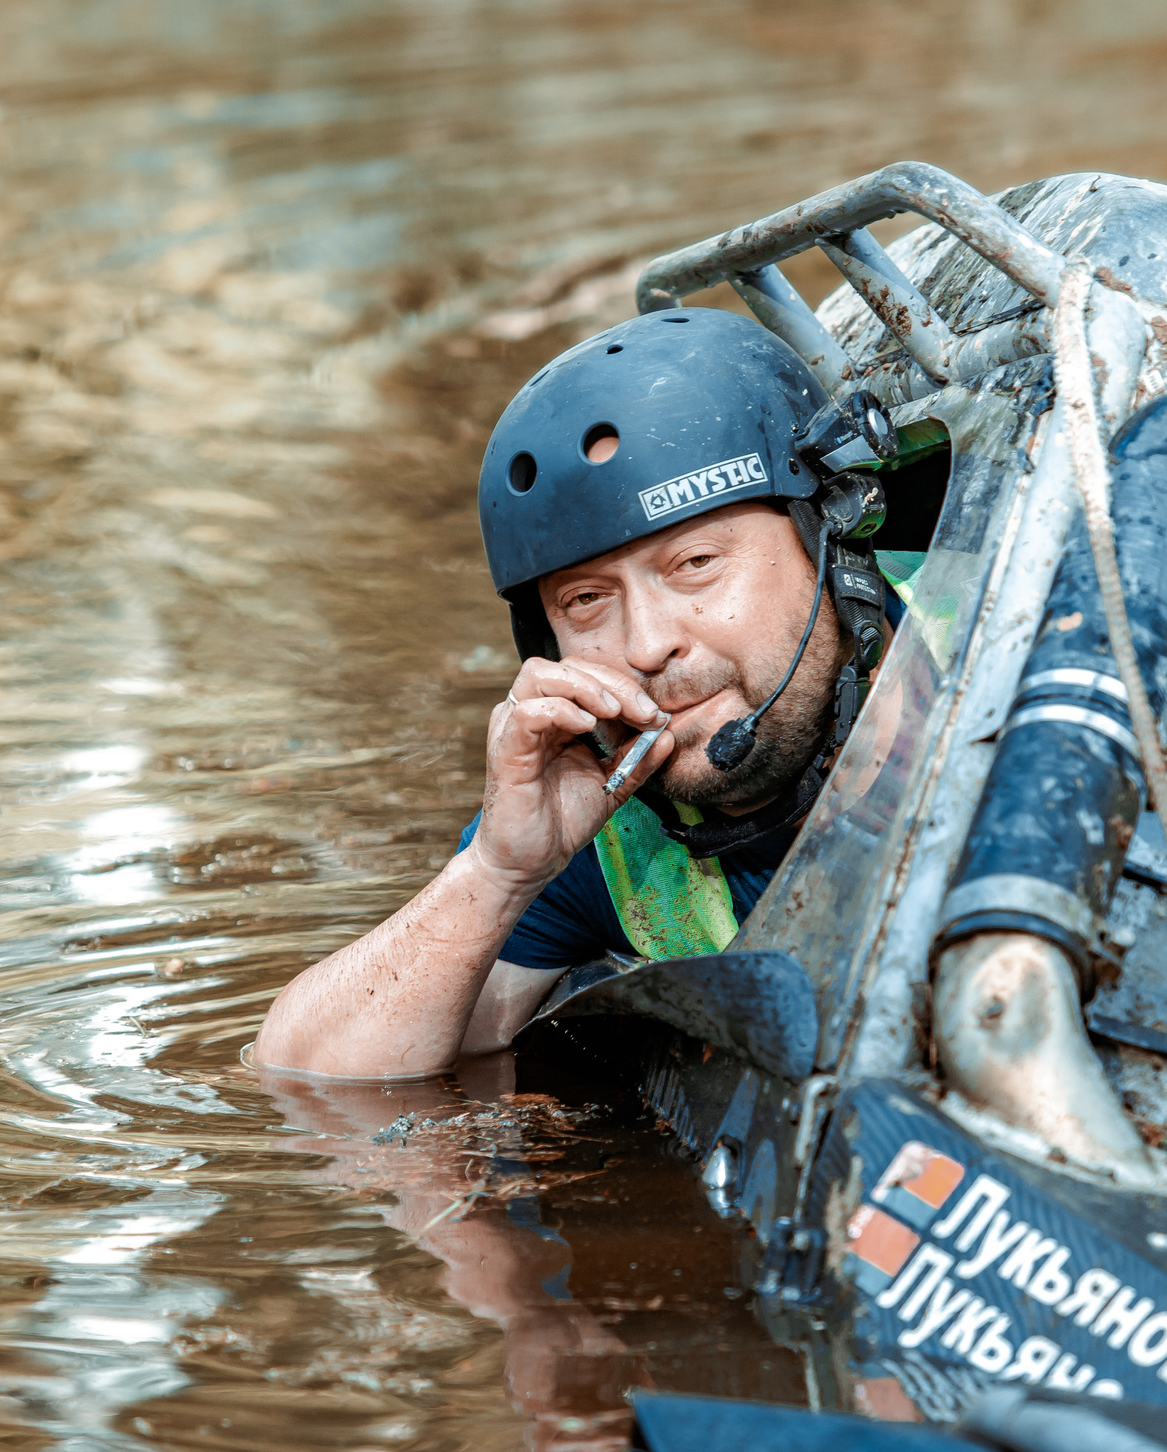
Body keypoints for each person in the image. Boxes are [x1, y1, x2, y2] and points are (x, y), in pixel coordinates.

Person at [253, 308, 901, 1078]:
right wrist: (497, 872)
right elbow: (307, 1073)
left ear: (832, 540)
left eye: (694, 562)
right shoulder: (614, 828)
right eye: (588, 601)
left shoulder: (1025, 642)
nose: (646, 644)